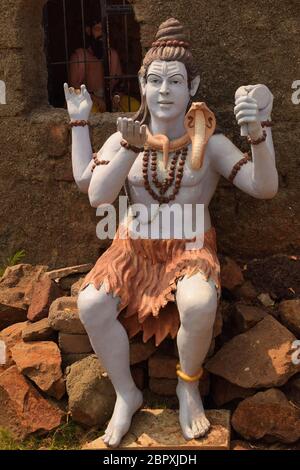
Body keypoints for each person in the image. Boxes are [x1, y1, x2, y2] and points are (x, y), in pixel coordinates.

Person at [64, 18, 278, 448]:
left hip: (190, 247)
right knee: (90, 303)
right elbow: (95, 194)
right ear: (142, 84)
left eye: (176, 81)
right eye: (155, 80)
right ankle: (127, 393)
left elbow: (264, 187)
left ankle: (187, 384)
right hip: (132, 248)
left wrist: (260, 132)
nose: (164, 90)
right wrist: (116, 140)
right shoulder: (126, 135)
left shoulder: (210, 144)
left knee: (199, 303)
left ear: (193, 85)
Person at [69, 18, 123, 112]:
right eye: (98, 29)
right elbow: (73, 87)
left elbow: (120, 83)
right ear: (88, 31)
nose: (102, 33)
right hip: (87, 100)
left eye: (104, 30)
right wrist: (95, 99)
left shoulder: (113, 55)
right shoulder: (78, 57)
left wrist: (116, 97)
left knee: (134, 105)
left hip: (110, 98)